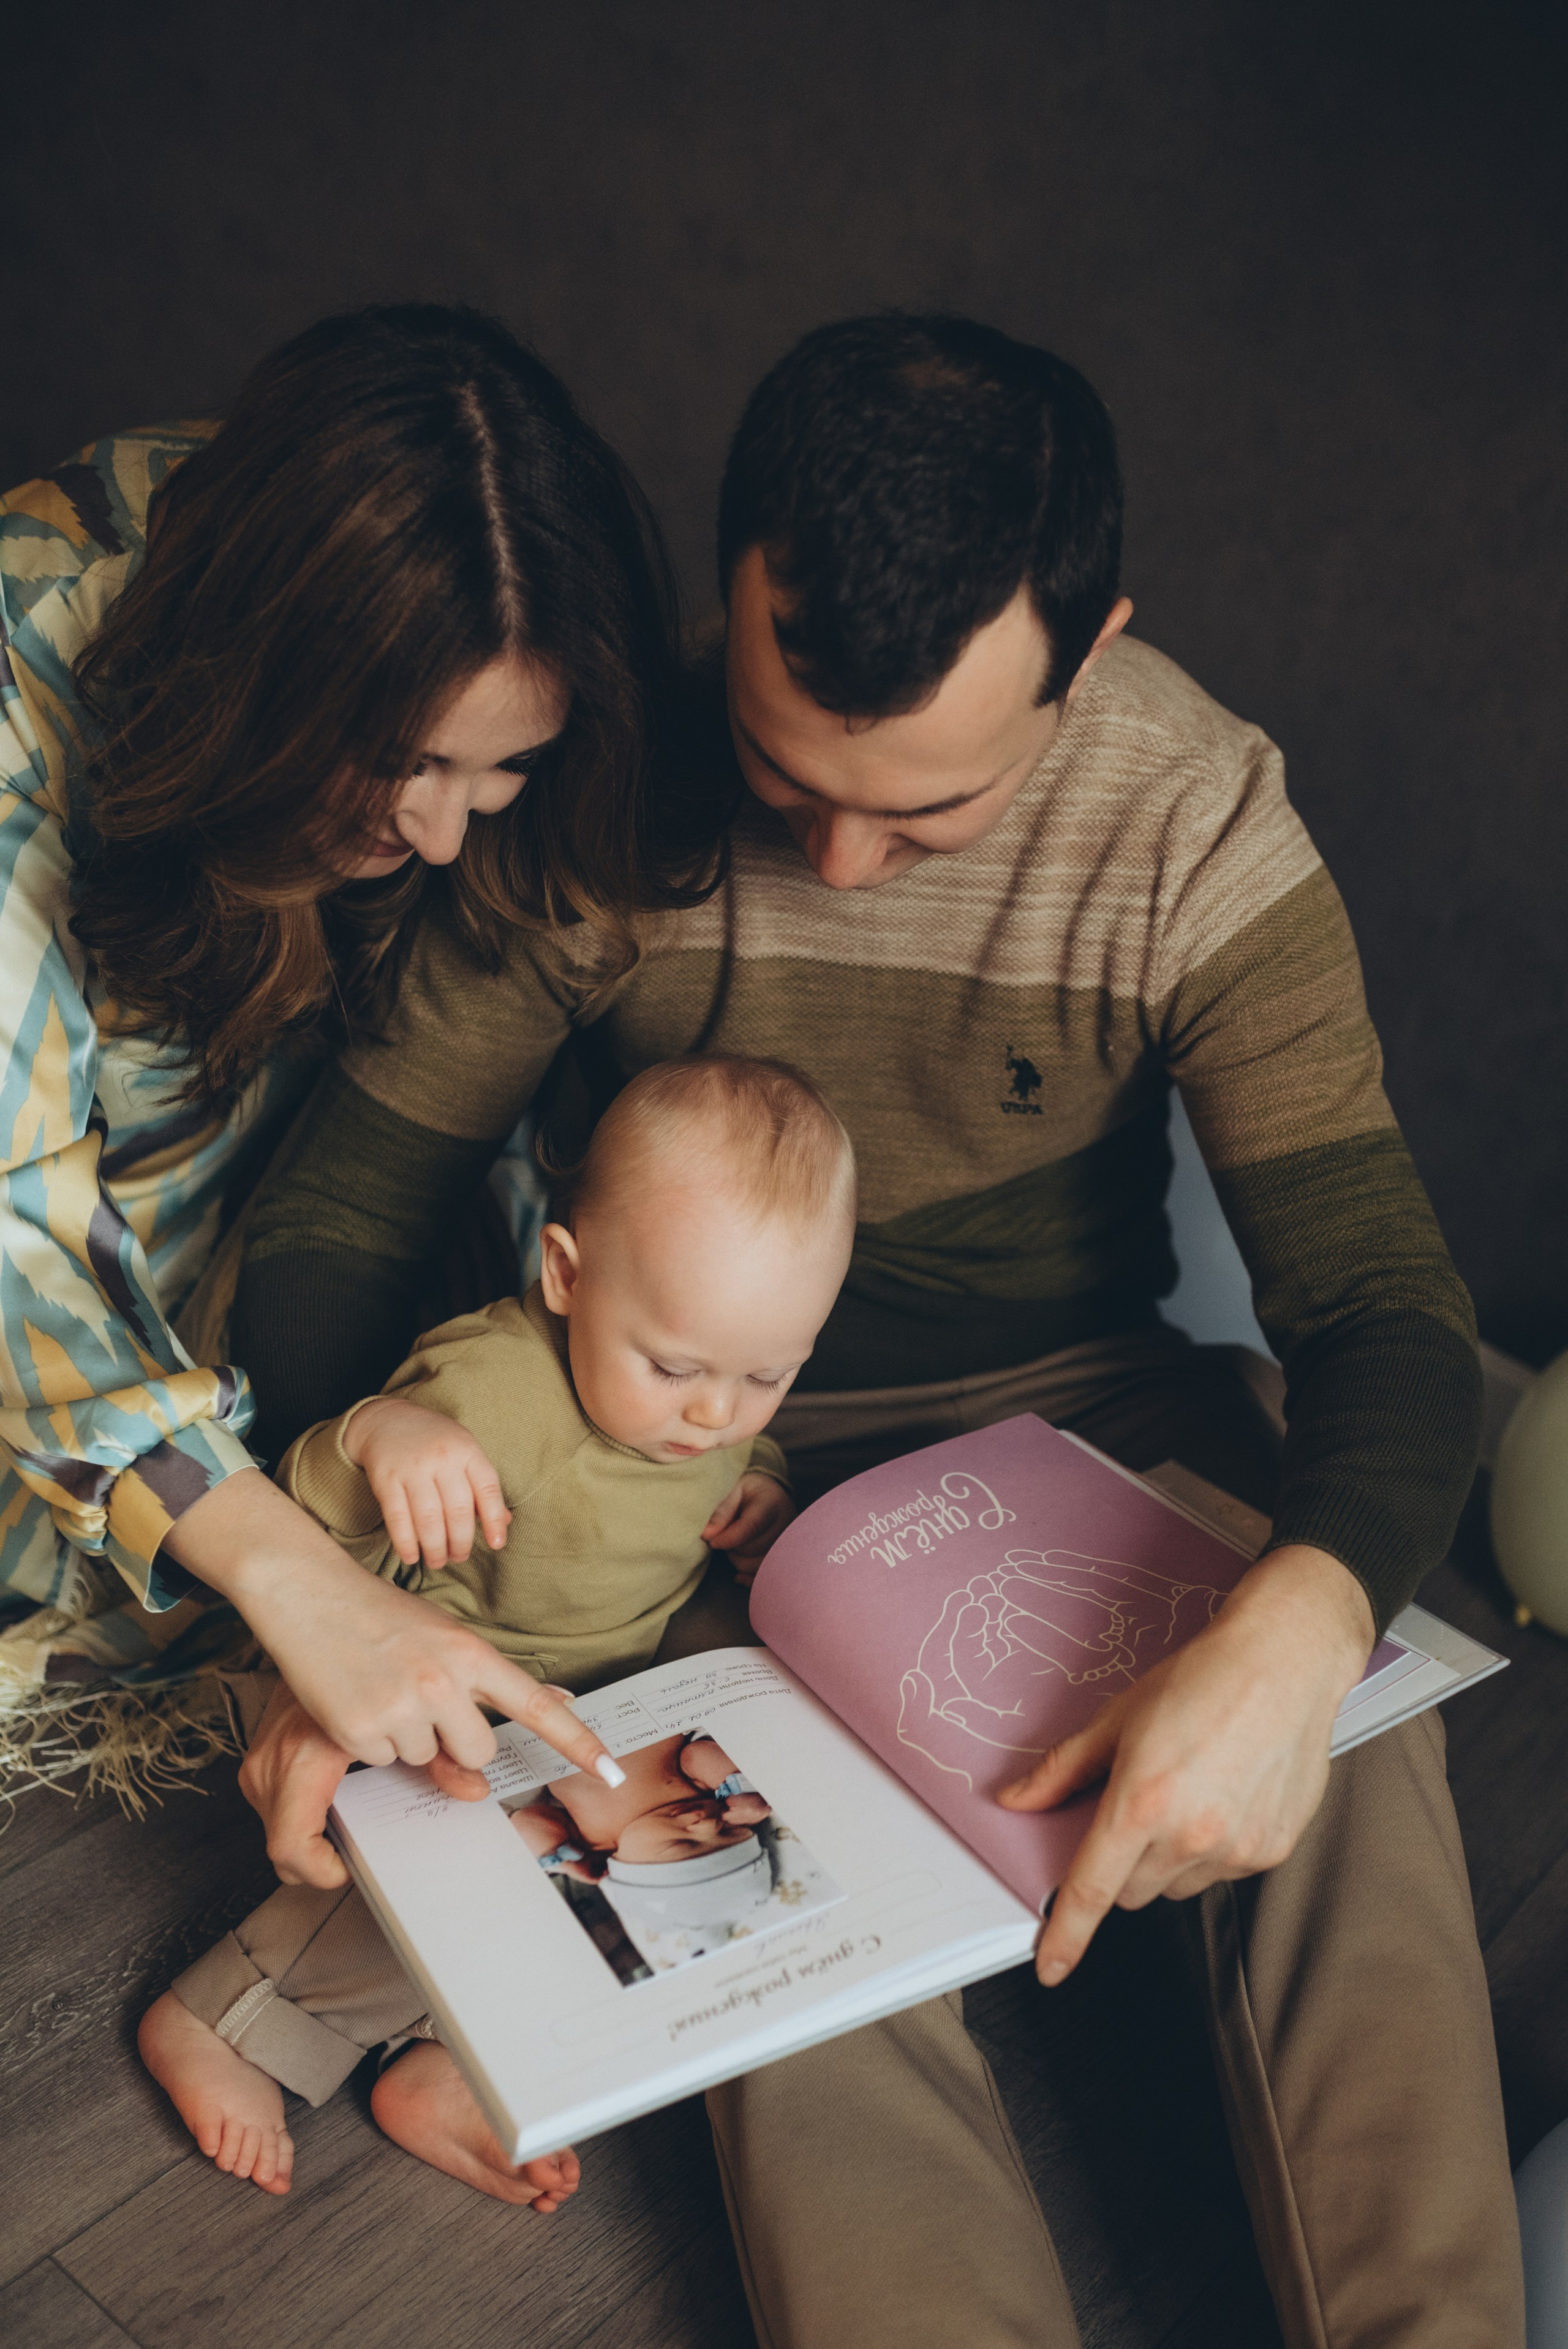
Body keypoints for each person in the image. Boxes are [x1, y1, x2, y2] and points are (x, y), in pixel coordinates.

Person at [230, 314, 1524, 2347]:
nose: (831, 861)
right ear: (729, 602)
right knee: (756, 1908)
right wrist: (366, 1573)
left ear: (1088, 656)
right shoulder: (608, 781)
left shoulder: (1195, 820)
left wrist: (1294, 1623)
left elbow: (1378, 1307)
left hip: (1089, 1413)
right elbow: (337, 1214)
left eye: (923, 820)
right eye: (780, 775)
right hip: (684, 1475)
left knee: (1348, 1719)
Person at [0, 301, 735, 1804]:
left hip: (293, 1321)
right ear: (251, 693)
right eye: (403, 762)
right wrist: (297, 1579)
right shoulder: (34, 675)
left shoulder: (468, 650)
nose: (438, 834)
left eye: (503, 772)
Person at [139, 1055, 854, 2203]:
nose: (716, 1413)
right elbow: (310, 1523)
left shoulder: (707, 1384)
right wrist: (380, 1435)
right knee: (443, 1862)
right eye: (676, 1368)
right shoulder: (496, 1389)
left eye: (769, 1374)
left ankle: (446, 2059)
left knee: (619, 1877)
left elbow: (741, 1438)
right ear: (567, 1275)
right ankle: (230, 2018)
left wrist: (761, 1482)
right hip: (433, 1688)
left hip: (595, 1697)